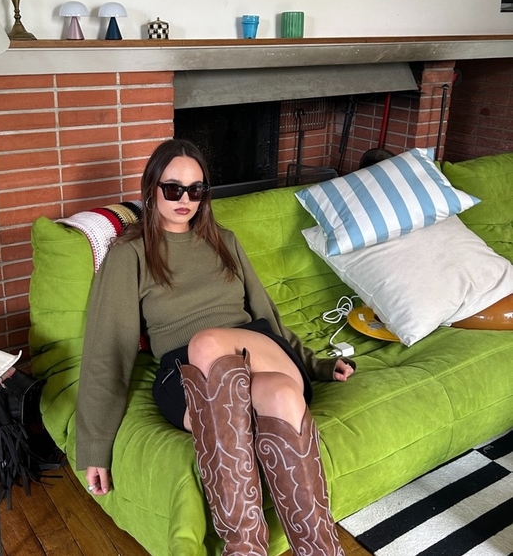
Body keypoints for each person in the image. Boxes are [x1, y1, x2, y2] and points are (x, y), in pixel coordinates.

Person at [76, 138, 355, 556]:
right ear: (152, 188)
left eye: (196, 190)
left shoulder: (224, 240)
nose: (185, 200)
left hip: (257, 349)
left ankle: (245, 549)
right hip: (184, 375)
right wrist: (95, 446)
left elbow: (268, 316)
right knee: (279, 395)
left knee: (208, 341)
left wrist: (316, 364)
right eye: (173, 189)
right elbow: (107, 351)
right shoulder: (129, 255)